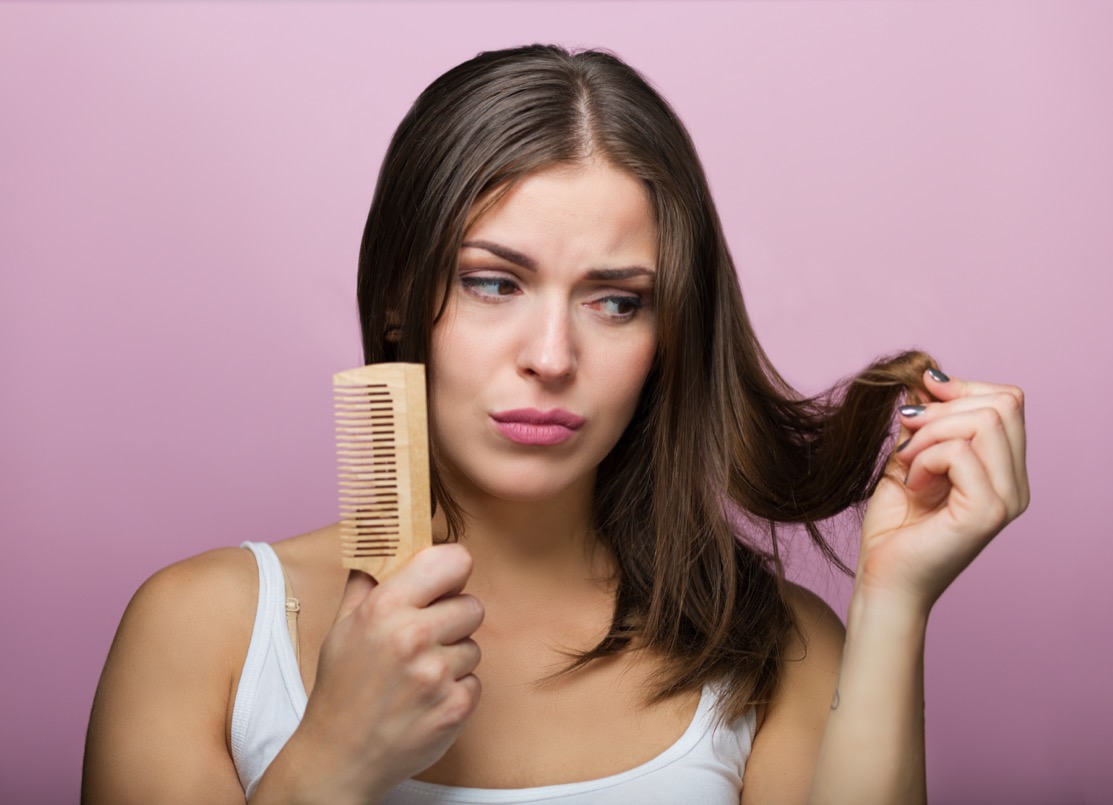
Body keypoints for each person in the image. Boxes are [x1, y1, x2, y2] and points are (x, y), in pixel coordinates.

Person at [82, 44, 1028, 804]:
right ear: (404, 304)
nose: (551, 355)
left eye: (616, 301)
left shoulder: (774, 650)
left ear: (668, 335)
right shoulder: (204, 630)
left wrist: (895, 601)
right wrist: (329, 759)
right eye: (493, 282)